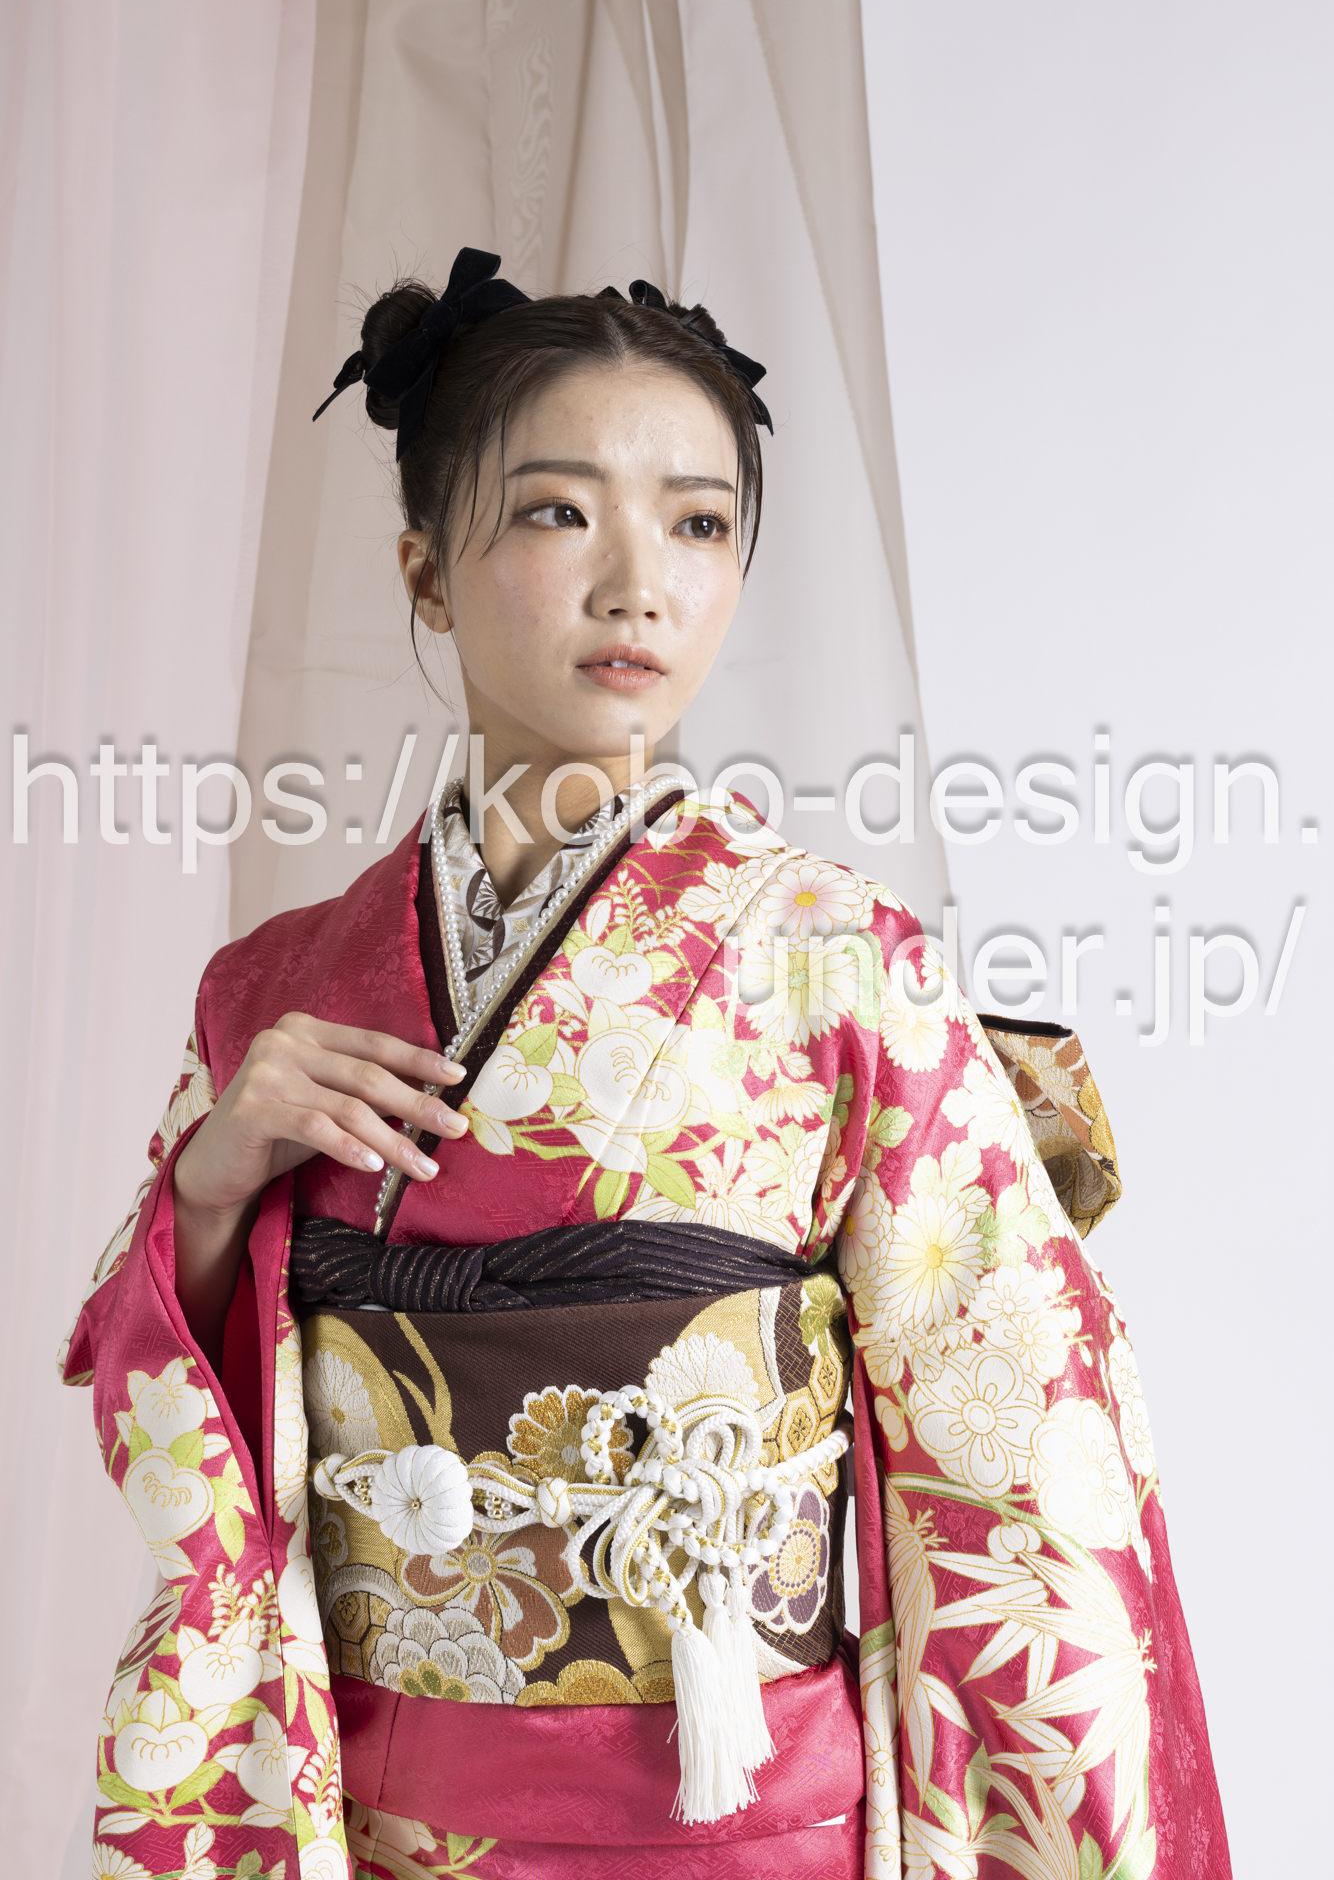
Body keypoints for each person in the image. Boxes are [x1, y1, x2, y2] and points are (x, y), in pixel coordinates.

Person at [64, 248, 1230, 1880]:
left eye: (696, 524)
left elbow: (1017, 1442)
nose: (638, 584)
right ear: (424, 571)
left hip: (740, 1810)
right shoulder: (274, 989)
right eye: (558, 512)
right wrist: (215, 1180)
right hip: (386, 1813)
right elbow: (168, 1398)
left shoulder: (845, 961)